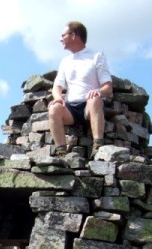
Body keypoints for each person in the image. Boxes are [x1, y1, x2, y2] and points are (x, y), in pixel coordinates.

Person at [48, 20, 113, 159]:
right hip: (71, 108)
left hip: (89, 107)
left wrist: (99, 92)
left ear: (74, 35)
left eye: (63, 35)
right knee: (54, 108)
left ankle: (98, 146)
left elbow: (108, 87)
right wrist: (58, 98)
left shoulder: (96, 55)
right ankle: (61, 153)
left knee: (94, 98)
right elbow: (57, 87)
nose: (60, 39)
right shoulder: (65, 61)